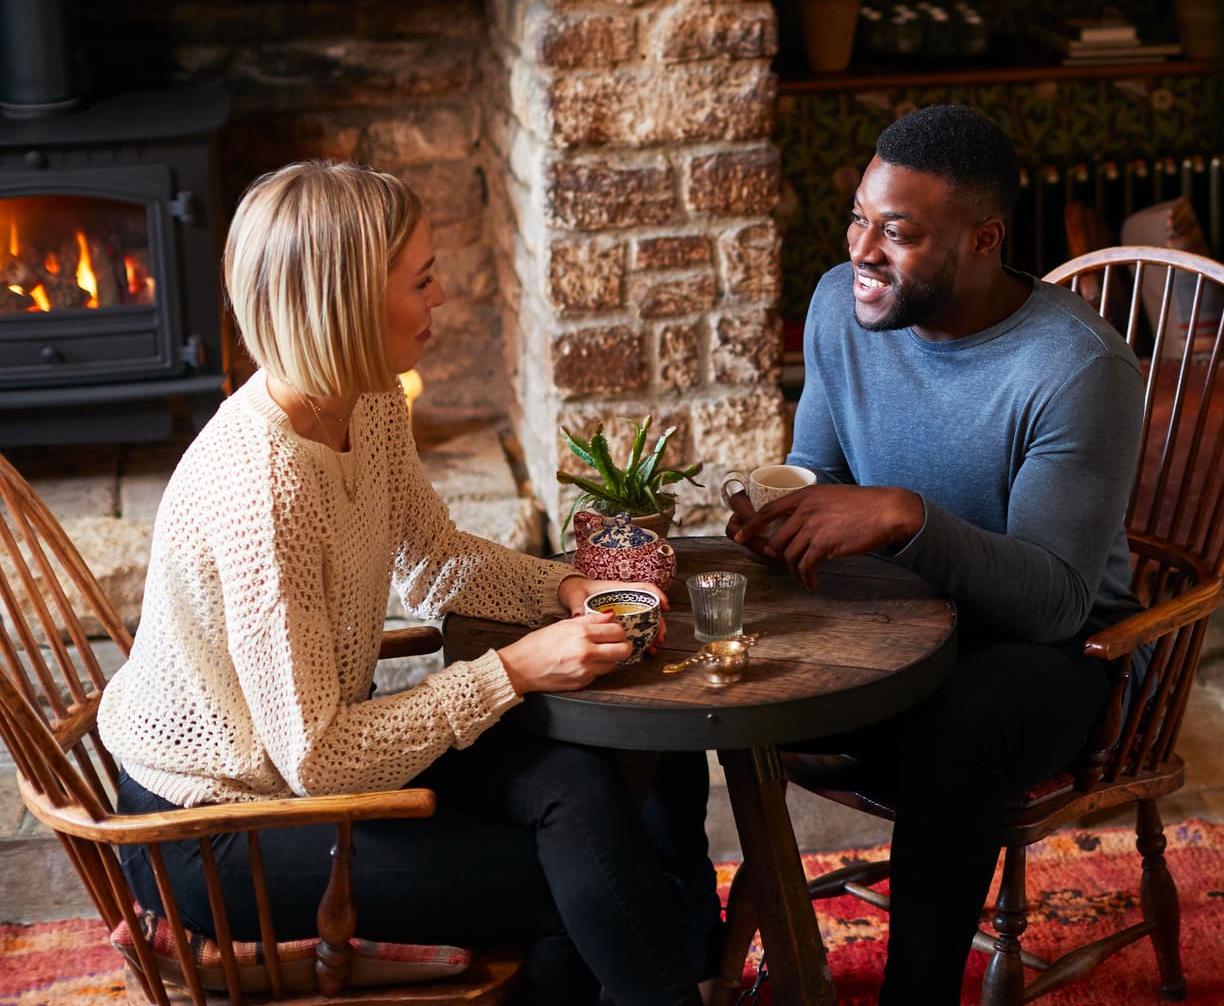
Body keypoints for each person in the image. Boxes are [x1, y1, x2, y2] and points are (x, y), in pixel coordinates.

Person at [95, 162, 722, 1006]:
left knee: (577, 789)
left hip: (297, 764)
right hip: (213, 824)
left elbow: (431, 559)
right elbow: (319, 760)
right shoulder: (263, 490)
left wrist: (565, 587)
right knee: (570, 884)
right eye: (422, 279)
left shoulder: (369, 399)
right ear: (350, 299)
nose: (443, 295)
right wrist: (513, 670)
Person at [723, 105, 1145, 1002]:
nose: (862, 251)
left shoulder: (1074, 367)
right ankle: (684, 967)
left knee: (960, 728)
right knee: (675, 680)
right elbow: (822, 473)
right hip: (895, 628)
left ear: (984, 239)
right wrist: (781, 519)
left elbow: (1056, 604)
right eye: (858, 219)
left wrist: (905, 517)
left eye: (899, 233)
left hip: (1054, 659)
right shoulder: (840, 304)